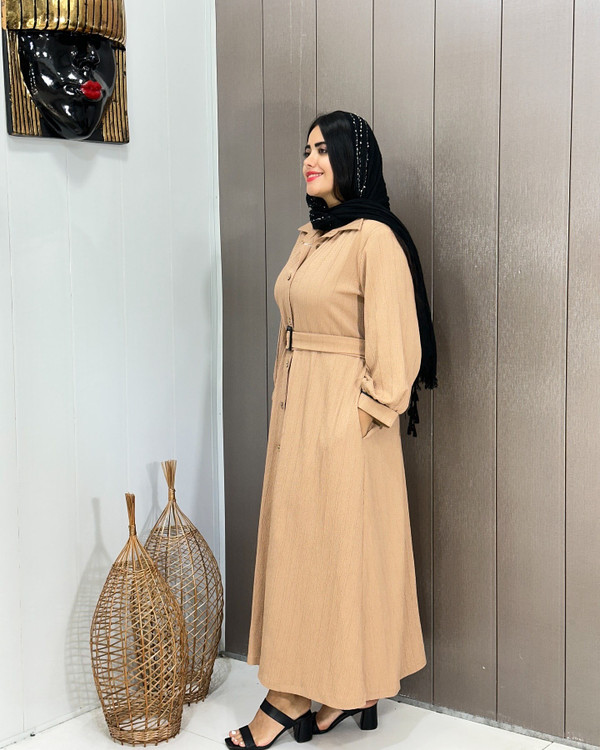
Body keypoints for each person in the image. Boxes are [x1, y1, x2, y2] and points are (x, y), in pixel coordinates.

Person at [225, 111, 438, 749]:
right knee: (306, 552)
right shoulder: (312, 234)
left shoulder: (375, 238)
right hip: (299, 414)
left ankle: (289, 696)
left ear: (351, 159)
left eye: (324, 149)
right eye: (306, 150)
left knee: (339, 554)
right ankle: (349, 691)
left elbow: (398, 352)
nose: (310, 160)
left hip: (346, 424)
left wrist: (358, 418)